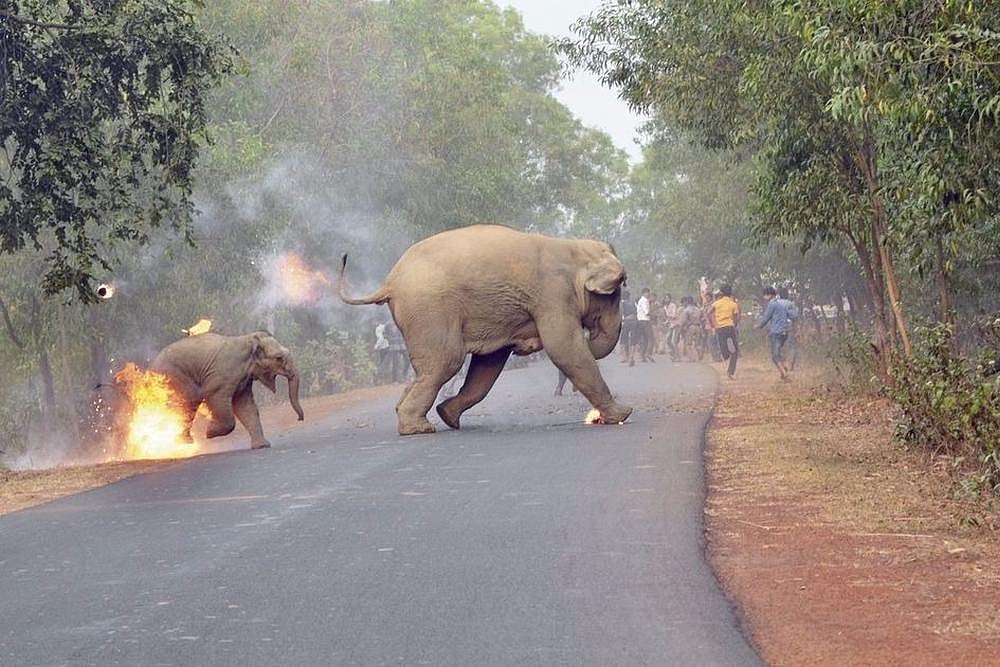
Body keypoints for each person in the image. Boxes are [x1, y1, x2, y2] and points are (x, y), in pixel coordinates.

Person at [757, 285, 796, 380]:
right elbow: (792, 316)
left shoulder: (772, 304)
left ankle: (785, 373)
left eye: (765, 295)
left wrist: (758, 326)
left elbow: (766, 318)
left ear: (769, 295)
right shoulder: (781, 304)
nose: (764, 298)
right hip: (784, 332)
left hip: (776, 332)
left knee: (775, 356)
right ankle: (783, 371)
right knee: (778, 353)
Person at [710, 284, 740, 379]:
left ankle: (725, 356)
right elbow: (736, 317)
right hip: (730, 327)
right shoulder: (733, 304)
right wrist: (733, 324)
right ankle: (730, 372)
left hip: (720, 328)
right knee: (735, 351)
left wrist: (714, 324)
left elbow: (708, 313)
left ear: (721, 293)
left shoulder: (716, 303)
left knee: (724, 351)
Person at [777, 286, 799, 371]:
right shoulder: (790, 304)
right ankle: (791, 365)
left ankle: (782, 364)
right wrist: (796, 330)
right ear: (787, 295)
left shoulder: (776, 304)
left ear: (779, 295)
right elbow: (795, 318)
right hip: (789, 326)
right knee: (792, 346)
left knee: (779, 346)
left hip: (779, 327)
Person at [636, 287, 655, 362]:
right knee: (651, 338)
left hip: (640, 321)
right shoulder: (645, 300)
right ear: (644, 293)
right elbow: (647, 312)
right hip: (645, 321)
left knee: (644, 339)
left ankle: (643, 356)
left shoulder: (641, 300)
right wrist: (655, 315)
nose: (649, 294)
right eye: (648, 292)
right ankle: (648, 353)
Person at [619, 288, 637, 366]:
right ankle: (631, 357)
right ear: (629, 296)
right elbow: (637, 311)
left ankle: (624, 357)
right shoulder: (634, 302)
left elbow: (621, 314)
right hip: (634, 321)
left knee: (623, 340)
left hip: (626, 321)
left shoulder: (621, 304)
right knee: (633, 339)